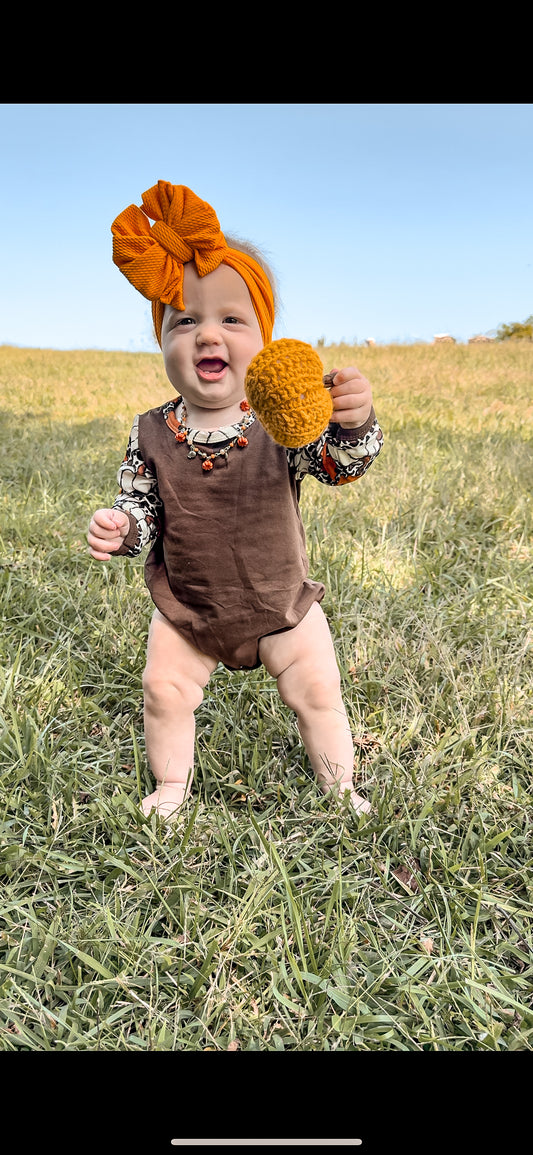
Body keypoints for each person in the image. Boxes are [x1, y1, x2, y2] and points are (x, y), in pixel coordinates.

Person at [87, 181, 384, 820]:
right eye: (184, 320)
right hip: (190, 611)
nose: (206, 335)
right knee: (163, 690)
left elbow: (337, 466)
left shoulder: (281, 420)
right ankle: (170, 788)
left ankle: (340, 788)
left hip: (282, 607)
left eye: (230, 319)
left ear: (264, 338)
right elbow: (143, 509)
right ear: (162, 340)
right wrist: (122, 526)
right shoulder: (151, 433)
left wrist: (352, 426)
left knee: (319, 692)